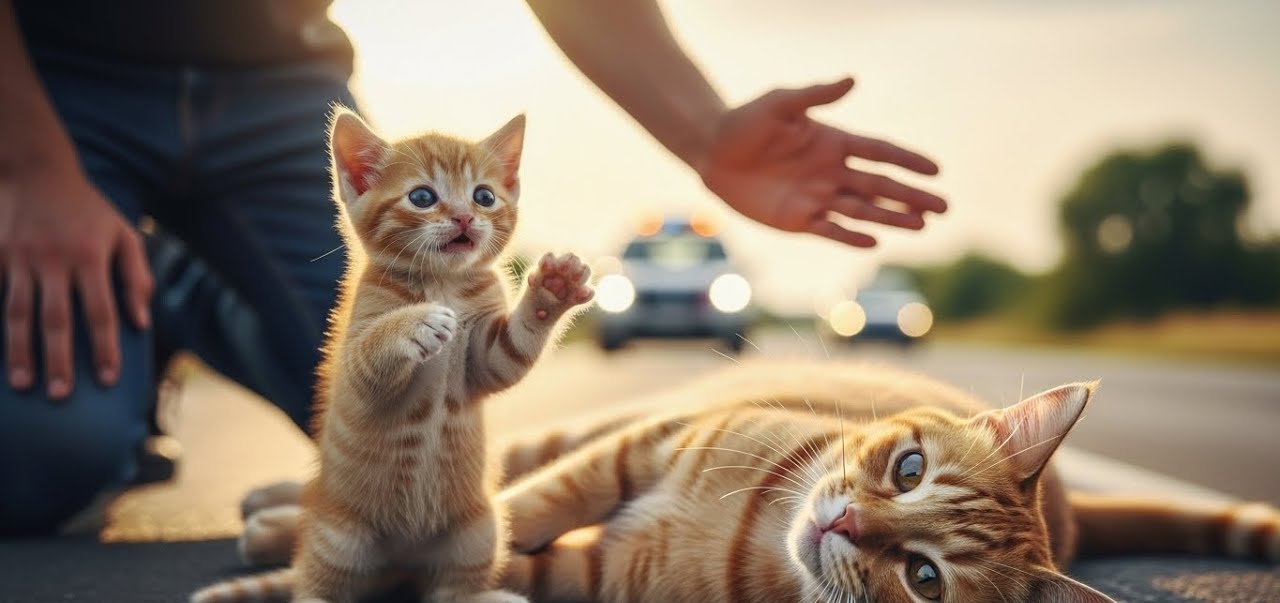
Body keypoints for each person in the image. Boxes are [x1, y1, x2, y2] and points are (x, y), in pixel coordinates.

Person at [0, 0, 947, 535]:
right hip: (54, 82)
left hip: (275, 80)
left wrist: (701, 130)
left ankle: (170, 284)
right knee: (43, 463)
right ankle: (124, 283)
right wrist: (32, 170)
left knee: (400, 396)